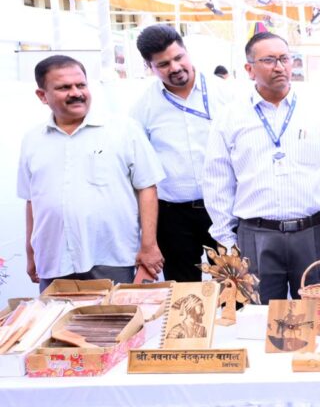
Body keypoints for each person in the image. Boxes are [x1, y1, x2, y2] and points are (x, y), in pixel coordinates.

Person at [203, 32, 320, 301]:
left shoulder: (316, 113)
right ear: (249, 69)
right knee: (257, 314)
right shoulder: (230, 117)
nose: (279, 67)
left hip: (311, 234)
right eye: (268, 60)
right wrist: (229, 243)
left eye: (285, 59)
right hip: (256, 236)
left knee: (318, 314)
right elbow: (217, 182)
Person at [18, 55, 165, 291]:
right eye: (64, 87)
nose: (76, 93)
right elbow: (32, 200)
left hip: (112, 258)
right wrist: (31, 252)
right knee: (57, 316)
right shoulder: (33, 140)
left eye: (81, 85)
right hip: (54, 261)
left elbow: (147, 186)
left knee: (118, 315)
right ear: (42, 95)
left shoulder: (123, 130)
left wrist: (149, 246)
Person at [131, 25, 232, 282]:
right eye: (163, 64)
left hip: (223, 208)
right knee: (183, 291)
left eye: (178, 58)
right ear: (149, 66)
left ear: (187, 51)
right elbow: (140, 170)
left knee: (234, 287)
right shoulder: (143, 108)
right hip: (172, 216)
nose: (175, 67)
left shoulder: (226, 94)